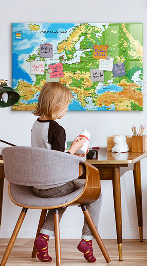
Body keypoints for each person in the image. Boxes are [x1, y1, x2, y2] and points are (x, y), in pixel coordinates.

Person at [31, 82, 101, 263]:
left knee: (61, 197)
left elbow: (48, 154)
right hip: (54, 186)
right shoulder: (57, 129)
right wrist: (75, 148)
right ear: (56, 104)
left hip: (37, 186)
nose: (67, 109)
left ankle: (43, 238)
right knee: (96, 194)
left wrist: (71, 150)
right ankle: (87, 240)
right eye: (66, 105)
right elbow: (59, 161)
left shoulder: (36, 125)